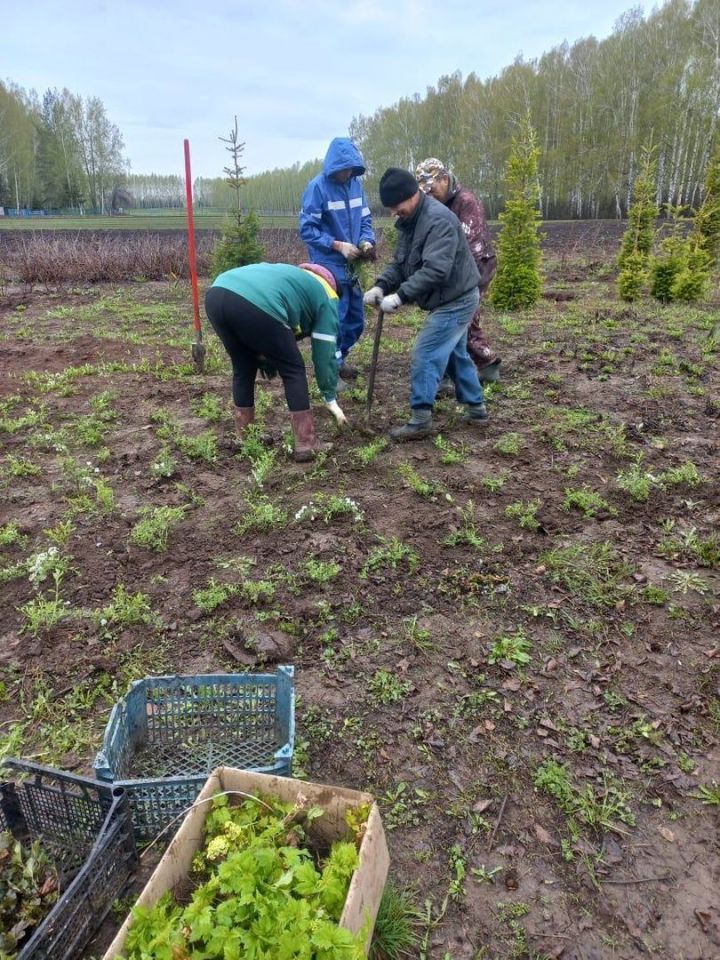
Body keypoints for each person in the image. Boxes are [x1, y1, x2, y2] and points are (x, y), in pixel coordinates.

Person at [363, 168, 488, 441]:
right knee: (455, 353)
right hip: (448, 296)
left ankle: (421, 419)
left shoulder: (437, 220)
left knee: (426, 351)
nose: (394, 212)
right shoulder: (410, 221)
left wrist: (400, 296)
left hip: (457, 299)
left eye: (396, 206)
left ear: (412, 195)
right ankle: (477, 409)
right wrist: (381, 285)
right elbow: (401, 262)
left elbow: (436, 271)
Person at [204, 262, 347, 462]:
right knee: (293, 369)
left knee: (243, 367)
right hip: (255, 302)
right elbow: (325, 353)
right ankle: (306, 443)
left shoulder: (295, 277)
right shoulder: (328, 294)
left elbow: (275, 333)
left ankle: (245, 436)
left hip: (217, 292)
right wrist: (330, 396)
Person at [415, 158, 500, 389]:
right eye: (425, 192)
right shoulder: (437, 204)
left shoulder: (466, 202)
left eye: (431, 189)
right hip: (452, 270)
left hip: (477, 266)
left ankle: (483, 366)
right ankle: (460, 369)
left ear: (444, 179)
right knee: (453, 319)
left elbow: (469, 244)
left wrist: (450, 276)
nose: (429, 195)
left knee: (463, 318)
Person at [299, 137, 376, 379]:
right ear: (334, 167)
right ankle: (329, 371)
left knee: (356, 319)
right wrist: (337, 245)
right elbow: (307, 230)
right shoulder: (317, 188)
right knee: (333, 320)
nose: (347, 174)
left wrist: (366, 240)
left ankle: (340, 358)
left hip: (352, 267)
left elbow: (365, 220)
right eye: (343, 170)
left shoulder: (355, 186)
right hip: (329, 266)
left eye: (350, 170)